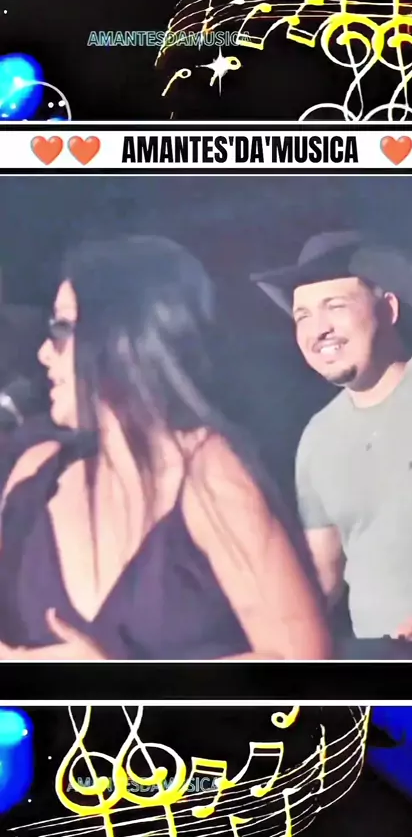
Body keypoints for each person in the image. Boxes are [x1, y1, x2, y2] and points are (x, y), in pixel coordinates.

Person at [0, 234, 332, 662]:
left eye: (62, 328)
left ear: (125, 336)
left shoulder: (209, 473)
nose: (45, 353)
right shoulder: (35, 476)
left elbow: (299, 657)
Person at [251, 231, 412, 657]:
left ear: (388, 309)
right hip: (377, 659)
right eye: (302, 316)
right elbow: (322, 573)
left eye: (334, 306)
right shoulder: (318, 436)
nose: (318, 329)